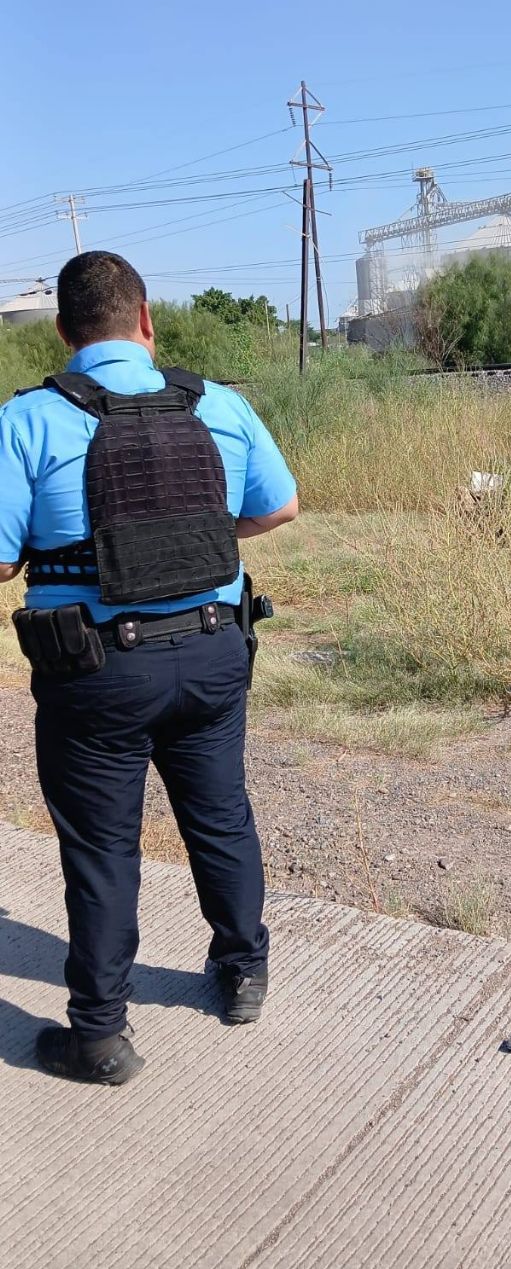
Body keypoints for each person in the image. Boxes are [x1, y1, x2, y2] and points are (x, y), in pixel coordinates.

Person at [0, 251, 298, 1085]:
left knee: (102, 850)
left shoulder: (27, 421)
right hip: (213, 653)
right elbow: (279, 504)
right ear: (147, 321)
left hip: (98, 673)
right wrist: (194, 539)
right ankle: (243, 973)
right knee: (220, 815)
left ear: (63, 333)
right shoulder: (222, 405)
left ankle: (99, 1035)